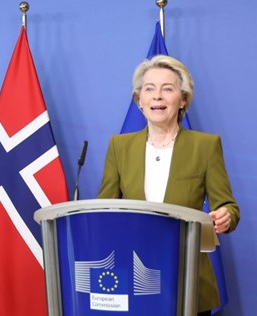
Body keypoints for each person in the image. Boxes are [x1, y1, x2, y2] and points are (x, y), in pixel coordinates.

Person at [98, 55, 240, 315]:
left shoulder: (205, 146)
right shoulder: (119, 147)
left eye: (168, 89)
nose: (157, 97)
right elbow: (104, 209)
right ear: (139, 100)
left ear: (183, 99)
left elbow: (228, 206)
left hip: (188, 279)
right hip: (134, 278)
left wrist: (225, 217)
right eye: (149, 89)